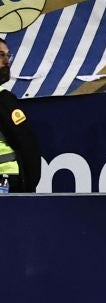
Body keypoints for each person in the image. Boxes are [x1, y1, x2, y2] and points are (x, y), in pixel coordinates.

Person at [0, 40, 43, 195]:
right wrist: (29, 186)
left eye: (8, 56)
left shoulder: (5, 100)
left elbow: (26, 144)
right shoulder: (4, 100)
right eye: (0, 55)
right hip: (6, 180)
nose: (6, 61)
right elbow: (27, 144)